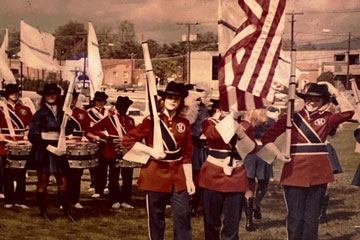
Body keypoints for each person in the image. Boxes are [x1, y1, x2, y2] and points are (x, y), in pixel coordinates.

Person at [259, 82, 354, 240]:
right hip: (294, 174)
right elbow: (266, 138)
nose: (312, 102)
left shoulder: (327, 119)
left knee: (311, 220)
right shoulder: (291, 118)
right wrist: (278, 155)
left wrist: (336, 93)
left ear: (324, 102)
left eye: (317, 100)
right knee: (295, 219)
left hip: (319, 174)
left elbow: (350, 112)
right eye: (309, 98)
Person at [122, 81, 195, 240]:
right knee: (156, 218)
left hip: (178, 176)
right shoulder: (151, 121)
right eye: (170, 97)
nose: (173, 101)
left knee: (182, 216)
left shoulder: (184, 123)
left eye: (177, 98)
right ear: (163, 99)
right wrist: (151, 151)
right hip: (155, 174)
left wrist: (189, 180)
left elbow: (187, 153)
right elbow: (127, 140)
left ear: (181, 101)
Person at [197, 100, 257, 240]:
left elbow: (252, 149)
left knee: (232, 224)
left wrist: (241, 132)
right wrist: (231, 119)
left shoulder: (245, 125)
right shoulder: (210, 122)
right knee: (211, 223)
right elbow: (212, 135)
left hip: (235, 177)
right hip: (212, 176)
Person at [28, 83, 75, 222]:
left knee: (63, 180)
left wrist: (69, 119)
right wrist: (47, 147)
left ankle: (66, 210)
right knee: (43, 180)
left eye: (53, 93)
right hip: (44, 150)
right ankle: (43, 211)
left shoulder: (62, 112)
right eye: (48, 94)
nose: (51, 96)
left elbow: (68, 131)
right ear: (44, 96)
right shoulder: (39, 114)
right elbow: (33, 135)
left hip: (59, 148)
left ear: (57, 95)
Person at [88, 96, 136, 209]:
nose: (123, 108)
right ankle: (113, 199)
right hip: (112, 151)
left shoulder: (131, 120)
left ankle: (126, 199)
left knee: (127, 176)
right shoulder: (110, 119)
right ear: (117, 107)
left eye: (125, 106)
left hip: (127, 151)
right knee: (114, 176)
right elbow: (94, 129)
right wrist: (105, 137)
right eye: (121, 106)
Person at [242, 107, 278, 231]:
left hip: (250, 151)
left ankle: (249, 222)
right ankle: (256, 203)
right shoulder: (270, 121)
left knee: (249, 186)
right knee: (264, 184)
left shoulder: (247, 121)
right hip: (264, 150)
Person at [0, 84, 32, 209]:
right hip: (5, 145)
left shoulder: (25, 109)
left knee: (21, 174)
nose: (14, 94)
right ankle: (9, 200)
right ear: (7, 94)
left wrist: (27, 137)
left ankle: (20, 200)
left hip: (21, 145)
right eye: (11, 92)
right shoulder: (1, 109)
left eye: (16, 92)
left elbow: (31, 125)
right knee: (7, 174)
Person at [65, 90, 91, 209]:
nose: (73, 101)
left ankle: (75, 200)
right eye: (70, 98)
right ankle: (63, 200)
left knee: (77, 175)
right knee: (64, 175)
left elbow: (87, 131)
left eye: (74, 98)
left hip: (77, 148)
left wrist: (91, 138)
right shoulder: (60, 113)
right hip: (64, 147)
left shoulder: (82, 113)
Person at [87, 91, 109, 197]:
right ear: (94, 101)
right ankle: (94, 184)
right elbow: (90, 128)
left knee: (104, 164)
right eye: (98, 101)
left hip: (106, 141)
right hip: (95, 140)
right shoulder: (89, 112)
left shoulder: (108, 112)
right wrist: (99, 135)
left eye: (102, 101)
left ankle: (103, 185)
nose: (100, 103)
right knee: (94, 164)